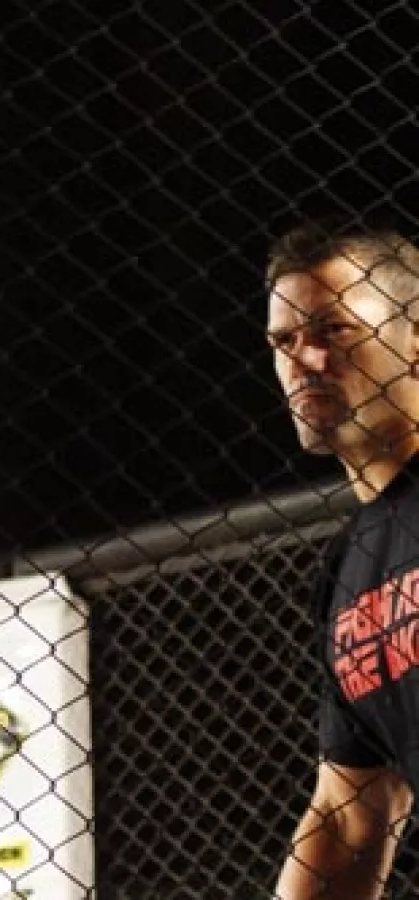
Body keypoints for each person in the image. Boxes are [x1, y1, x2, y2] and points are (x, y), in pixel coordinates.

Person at [266, 220, 419, 898]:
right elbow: (350, 813)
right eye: (284, 341)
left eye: (333, 330)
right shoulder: (349, 568)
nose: (305, 360)